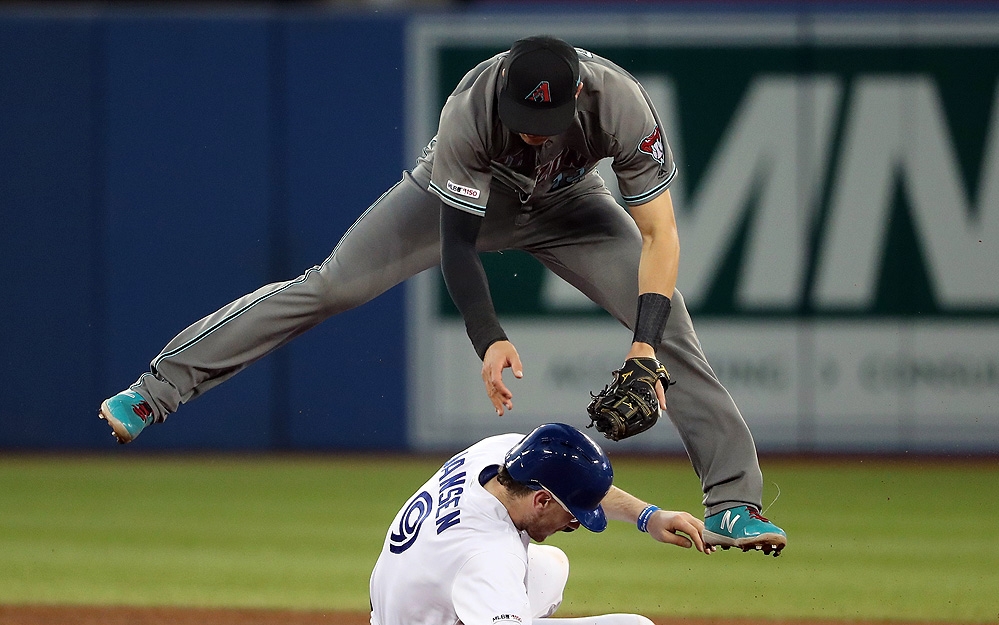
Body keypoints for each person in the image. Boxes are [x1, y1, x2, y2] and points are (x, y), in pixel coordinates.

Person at [99, 36, 785, 554]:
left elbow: (660, 236)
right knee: (329, 286)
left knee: (671, 337)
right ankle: (157, 389)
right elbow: (460, 246)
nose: (528, 128)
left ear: (579, 98)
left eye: (544, 119)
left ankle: (732, 502)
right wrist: (489, 338)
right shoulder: (473, 107)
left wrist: (642, 346)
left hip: (573, 208)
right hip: (458, 203)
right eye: (520, 115)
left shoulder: (622, 104)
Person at [370, 422, 710, 625]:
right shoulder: (489, 553)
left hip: (397, 616)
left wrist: (647, 516)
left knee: (552, 565)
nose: (576, 522)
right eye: (572, 512)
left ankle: (487, 620)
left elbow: (578, 482)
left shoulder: (497, 454)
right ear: (542, 500)